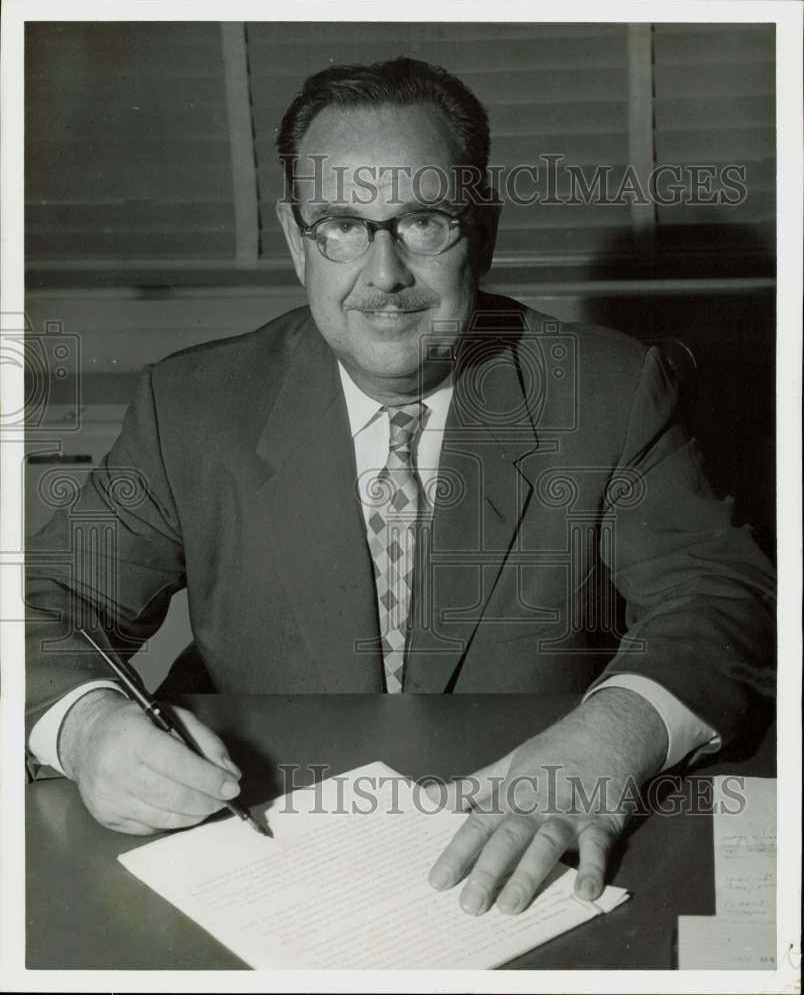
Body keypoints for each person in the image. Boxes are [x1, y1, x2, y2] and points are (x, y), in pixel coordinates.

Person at [25, 58, 775, 918]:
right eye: (343, 223)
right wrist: (85, 730)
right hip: (263, 858)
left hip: (521, 855)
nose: (384, 275)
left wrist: (614, 737)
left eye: (423, 221)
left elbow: (722, 596)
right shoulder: (191, 407)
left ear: (483, 229)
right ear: (297, 239)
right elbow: (43, 602)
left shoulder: (608, 391)